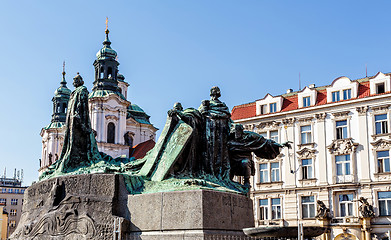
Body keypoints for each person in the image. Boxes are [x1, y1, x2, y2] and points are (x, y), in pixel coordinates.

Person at [54, 73, 102, 173]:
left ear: (81, 81)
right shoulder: (73, 93)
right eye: (74, 80)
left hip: (78, 120)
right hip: (72, 122)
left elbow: (82, 106)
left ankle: (76, 161)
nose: (74, 82)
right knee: (71, 143)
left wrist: (79, 118)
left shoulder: (83, 90)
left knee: (77, 143)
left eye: (76, 80)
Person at [199, 86, 232, 179]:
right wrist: (204, 110)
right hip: (209, 126)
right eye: (213, 93)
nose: (214, 95)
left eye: (216, 93)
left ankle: (219, 173)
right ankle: (208, 171)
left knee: (220, 151)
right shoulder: (206, 103)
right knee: (209, 149)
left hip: (221, 129)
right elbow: (199, 113)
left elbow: (227, 116)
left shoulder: (223, 105)